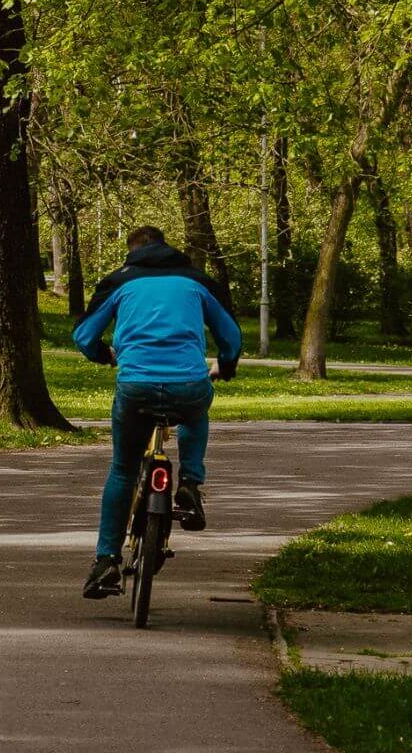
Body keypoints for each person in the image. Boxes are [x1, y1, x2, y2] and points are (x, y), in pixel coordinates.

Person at [73, 225, 241, 599]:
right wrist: (225, 367)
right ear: (167, 246)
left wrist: (104, 356)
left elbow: (83, 337)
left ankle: (106, 562)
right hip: (188, 386)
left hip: (136, 387)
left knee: (122, 470)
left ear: (131, 251)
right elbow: (232, 337)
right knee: (197, 408)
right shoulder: (196, 280)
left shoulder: (120, 281)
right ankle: (190, 483)